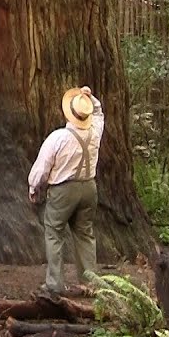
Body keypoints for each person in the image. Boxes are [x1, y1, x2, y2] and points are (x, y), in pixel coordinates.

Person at [28, 85, 104, 296]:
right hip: (89, 188)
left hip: (63, 190)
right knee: (85, 234)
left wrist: (34, 187)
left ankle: (54, 284)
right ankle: (90, 284)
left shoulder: (58, 137)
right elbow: (98, 113)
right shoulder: (95, 133)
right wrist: (91, 98)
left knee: (54, 232)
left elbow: (42, 168)